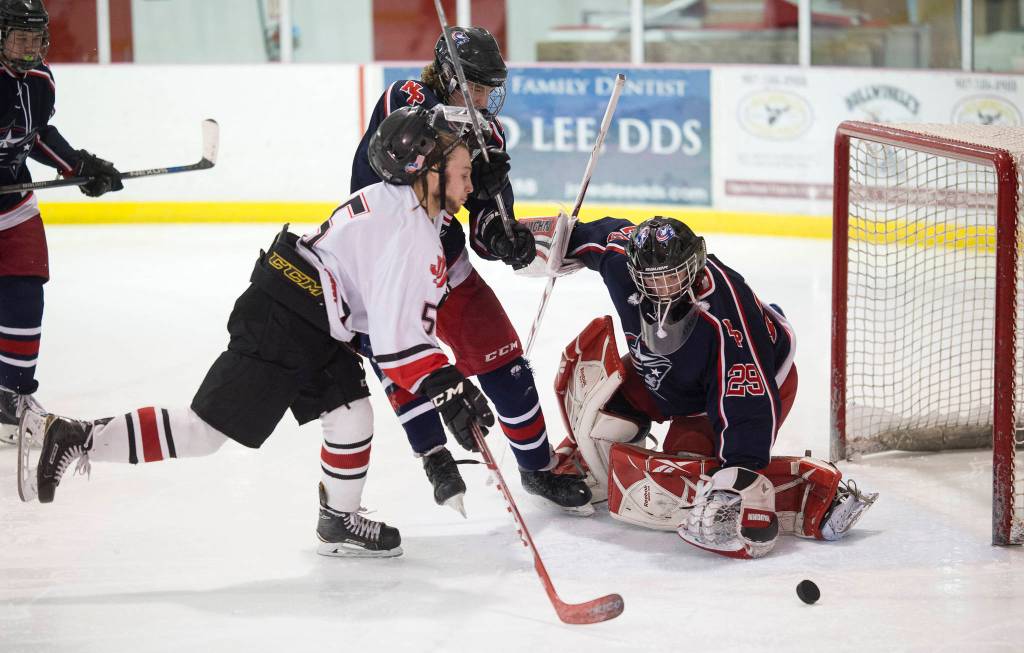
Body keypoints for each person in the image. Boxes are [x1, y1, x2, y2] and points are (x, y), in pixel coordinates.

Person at [19, 106, 498, 559]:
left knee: (351, 415)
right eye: (463, 169)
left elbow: (390, 326)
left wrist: (443, 382)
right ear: (427, 169)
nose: (471, 180)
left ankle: (338, 521)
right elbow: (396, 346)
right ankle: (78, 437)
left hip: (312, 314)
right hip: (287, 320)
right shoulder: (409, 232)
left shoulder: (402, 204)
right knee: (203, 432)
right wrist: (446, 384)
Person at [523, 215, 877, 558]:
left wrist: (740, 471)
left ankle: (812, 493)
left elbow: (745, 400)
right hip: (663, 374)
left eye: (674, 277)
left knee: (685, 476)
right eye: (653, 280)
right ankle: (585, 458)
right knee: (600, 413)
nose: (663, 289)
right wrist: (529, 239)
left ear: (694, 264)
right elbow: (595, 235)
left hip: (751, 385)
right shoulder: (623, 263)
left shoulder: (725, 312)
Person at [350, 26, 590, 515]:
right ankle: (434, 457)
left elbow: (482, 226)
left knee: (506, 362)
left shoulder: (488, 132)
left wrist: (504, 236)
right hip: (377, 259)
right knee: (404, 363)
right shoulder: (408, 96)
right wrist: (461, 138)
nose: (482, 97)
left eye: (488, 88)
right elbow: (401, 160)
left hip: (441, 255)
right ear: (445, 74)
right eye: (473, 85)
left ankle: (537, 467)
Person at [0, 0, 123, 445]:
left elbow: (34, 136)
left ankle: (10, 395)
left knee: (26, 287)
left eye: (35, 39)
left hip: (13, 203)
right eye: (19, 38)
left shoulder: (40, 81)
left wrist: (77, 166)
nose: (28, 48)